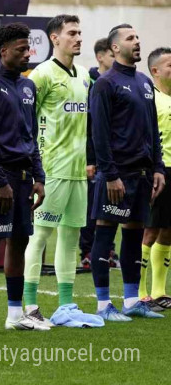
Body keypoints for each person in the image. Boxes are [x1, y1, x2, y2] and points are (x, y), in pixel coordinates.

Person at [21, 15, 100, 327]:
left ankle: (66, 305)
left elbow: (87, 124)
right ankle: (29, 305)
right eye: (72, 33)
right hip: (50, 171)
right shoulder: (41, 75)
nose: (78, 38)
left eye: (80, 32)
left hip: (78, 172)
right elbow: (26, 122)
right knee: (40, 236)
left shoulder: (83, 75)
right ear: (54, 38)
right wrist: (34, 170)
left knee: (71, 236)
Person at [0, 22, 47, 334]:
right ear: (4, 52)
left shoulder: (28, 87)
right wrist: (0, 182)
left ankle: (15, 314)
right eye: (21, 49)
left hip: (25, 176)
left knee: (19, 241)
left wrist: (39, 176)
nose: (28, 54)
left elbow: (31, 134)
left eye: (28, 48)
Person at [90, 24, 165, 321]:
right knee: (105, 235)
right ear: (115, 48)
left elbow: (153, 129)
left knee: (133, 236)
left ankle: (132, 300)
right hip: (116, 174)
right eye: (130, 39)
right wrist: (109, 174)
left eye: (137, 37)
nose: (137, 42)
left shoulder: (145, 82)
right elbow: (100, 133)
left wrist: (157, 168)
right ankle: (102, 305)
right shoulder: (105, 84)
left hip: (143, 174)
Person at [81, 38, 118, 269]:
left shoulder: (118, 81)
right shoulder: (90, 82)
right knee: (91, 207)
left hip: (115, 156)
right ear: (100, 57)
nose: (116, 59)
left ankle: (109, 252)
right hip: (94, 157)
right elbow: (88, 125)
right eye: (112, 55)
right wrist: (90, 159)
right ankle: (87, 252)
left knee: (112, 204)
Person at [139, 47, 171, 310]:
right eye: (170, 64)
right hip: (159, 171)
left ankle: (160, 291)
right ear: (155, 71)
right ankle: (140, 293)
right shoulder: (151, 99)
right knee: (149, 230)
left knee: (168, 231)